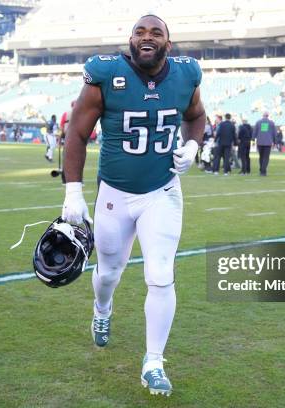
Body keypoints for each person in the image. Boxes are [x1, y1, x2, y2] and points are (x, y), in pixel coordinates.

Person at [61, 15, 205, 397]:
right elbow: (76, 132)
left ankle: (153, 362)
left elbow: (196, 116)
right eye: (140, 32)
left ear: (167, 45)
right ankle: (102, 311)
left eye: (156, 32)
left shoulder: (187, 74)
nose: (147, 37)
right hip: (115, 194)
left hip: (162, 191)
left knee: (160, 274)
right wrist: (72, 191)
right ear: (130, 40)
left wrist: (192, 144)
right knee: (109, 273)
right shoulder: (105, 74)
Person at [252, 112, 277, 176]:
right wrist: (275, 142)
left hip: (260, 142)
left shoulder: (258, 122)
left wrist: (253, 139)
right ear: (268, 116)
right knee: (266, 157)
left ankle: (261, 170)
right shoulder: (271, 123)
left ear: (262, 116)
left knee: (261, 157)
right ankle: (263, 171)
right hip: (268, 143)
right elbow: (274, 134)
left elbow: (254, 132)